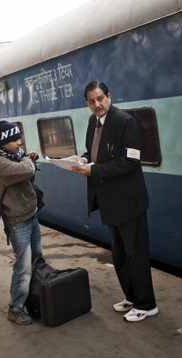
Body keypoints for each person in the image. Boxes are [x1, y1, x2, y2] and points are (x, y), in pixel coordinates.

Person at [71, 81, 157, 322]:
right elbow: (94, 152)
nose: (97, 104)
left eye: (100, 99)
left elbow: (131, 162)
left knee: (136, 254)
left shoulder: (125, 122)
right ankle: (132, 297)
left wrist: (94, 170)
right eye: (91, 101)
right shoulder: (93, 122)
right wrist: (84, 158)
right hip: (109, 200)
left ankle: (147, 304)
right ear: (87, 103)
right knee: (119, 254)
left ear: (109, 96)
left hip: (129, 201)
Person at [0, 120, 42, 325]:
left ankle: (36, 299)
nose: (19, 142)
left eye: (19, 138)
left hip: (31, 215)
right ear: (3, 141)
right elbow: (27, 170)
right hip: (18, 222)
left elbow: (26, 171)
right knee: (24, 267)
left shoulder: (14, 157)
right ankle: (15, 308)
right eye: (14, 139)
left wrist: (27, 158)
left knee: (37, 261)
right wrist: (29, 157)